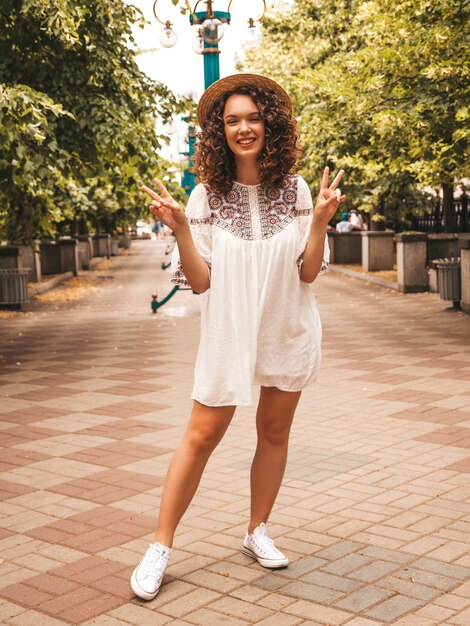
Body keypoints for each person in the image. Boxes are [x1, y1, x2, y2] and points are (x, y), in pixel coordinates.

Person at [131, 73, 346, 601]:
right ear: (217, 131)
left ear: (269, 123)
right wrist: (182, 228)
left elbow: (309, 272)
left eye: (253, 117)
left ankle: (257, 532)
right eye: (232, 120)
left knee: (274, 431)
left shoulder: (295, 189)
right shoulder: (206, 194)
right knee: (201, 436)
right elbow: (201, 282)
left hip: (286, 325)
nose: (243, 128)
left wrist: (318, 221)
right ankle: (160, 546)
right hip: (228, 331)